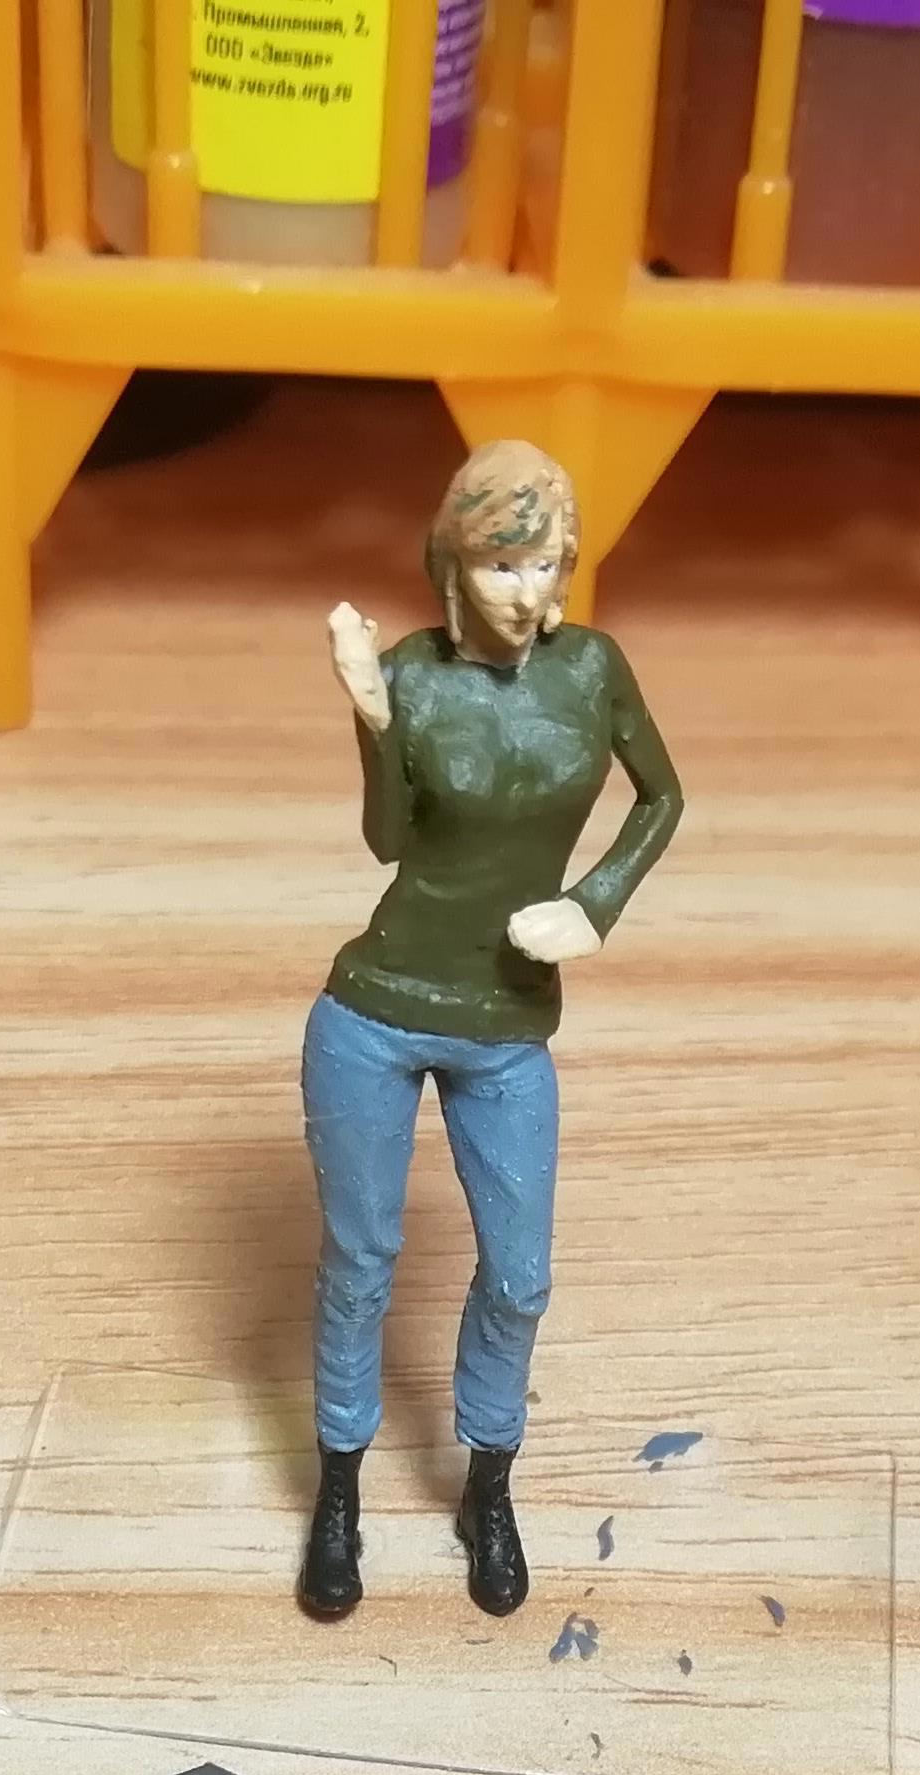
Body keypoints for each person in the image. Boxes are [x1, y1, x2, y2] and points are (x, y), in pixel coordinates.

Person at [297, 441, 684, 1622]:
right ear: (454, 563)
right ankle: (338, 1487)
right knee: (361, 1264)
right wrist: (371, 715)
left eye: (551, 563)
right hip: (374, 1011)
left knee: (518, 1276)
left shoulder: (593, 670)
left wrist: (593, 904)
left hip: (507, 1020)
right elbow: (387, 842)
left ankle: (488, 1483)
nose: (532, 591)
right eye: (506, 564)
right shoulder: (411, 675)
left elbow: (662, 796)